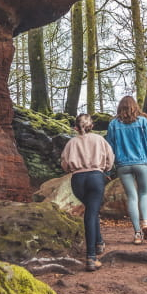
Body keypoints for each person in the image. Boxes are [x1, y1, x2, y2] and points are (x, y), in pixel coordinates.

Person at [60, 113, 115, 271]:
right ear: (92, 126)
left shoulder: (71, 142)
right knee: (91, 213)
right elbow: (110, 158)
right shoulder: (99, 140)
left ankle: (99, 243)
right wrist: (106, 168)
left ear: (76, 127)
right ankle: (91, 257)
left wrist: (73, 167)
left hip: (78, 180)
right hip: (96, 178)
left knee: (92, 211)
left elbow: (64, 163)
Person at [105, 95, 147, 244]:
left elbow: (109, 148)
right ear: (135, 107)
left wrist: (108, 170)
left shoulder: (113, 124)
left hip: (123, 165)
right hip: (141, 163)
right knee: (144, 193)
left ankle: (137, 234)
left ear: (120, 108)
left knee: (132, 197)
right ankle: (145, 223)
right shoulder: (143, 122)